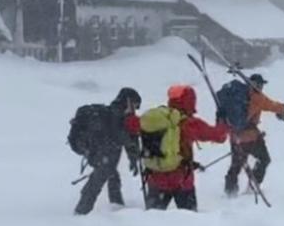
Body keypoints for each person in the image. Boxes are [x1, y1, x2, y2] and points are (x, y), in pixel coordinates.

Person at [128, 84, 229, 211]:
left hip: (155, 179)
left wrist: (127, 113)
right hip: (182, 180)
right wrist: (222, 120)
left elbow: (131, 124)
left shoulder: (155, 120)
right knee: (189, 219)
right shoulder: (189, 123)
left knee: (152, 219)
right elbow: (219, 136)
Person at [72, 87, 142, 215]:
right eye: (135, 105)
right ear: (129, 101)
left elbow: (123, 137)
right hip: (102, 153)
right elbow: (121, 135)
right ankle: (81, 211)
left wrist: (133, 156)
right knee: (99, 179)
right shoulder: (117, 113)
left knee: (111, 175)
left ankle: (115, 206)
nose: (135, 110)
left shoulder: (116, 113)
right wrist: (132, 147)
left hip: (102, 152)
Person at [224, 74, 284, 197]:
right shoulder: (257, 97)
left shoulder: (237, 95)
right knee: (264, 159)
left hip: (235, 137)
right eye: (261, 84)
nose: (262, 87)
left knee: (236, 165)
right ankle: (253, 187)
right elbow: (272, 105)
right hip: (251, 138)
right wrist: (283, 109)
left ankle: (230, 192)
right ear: (257, 84)